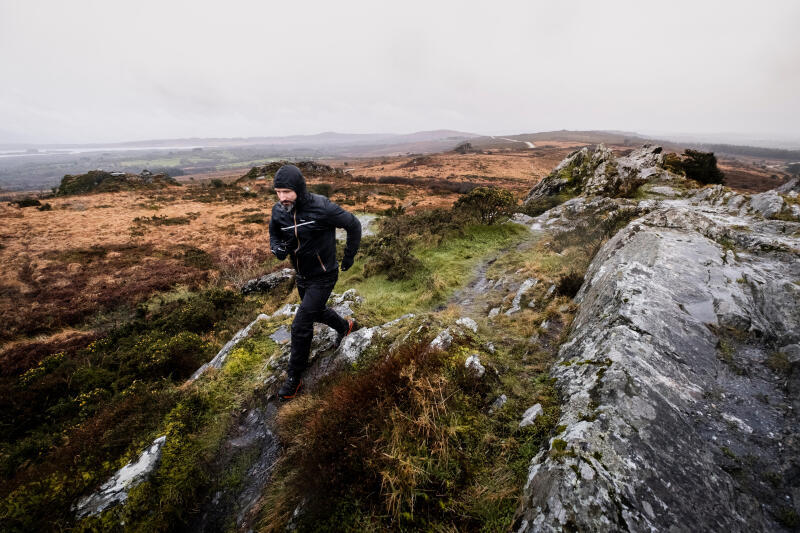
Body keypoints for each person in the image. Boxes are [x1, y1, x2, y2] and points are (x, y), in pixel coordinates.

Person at [268, 164, 361, 400]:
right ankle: (345, 327)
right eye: (278, 192)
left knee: (300, 325)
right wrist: (276, 247)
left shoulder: (322, 207)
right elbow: (274, 233)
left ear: (298, 188)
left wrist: (349, 255)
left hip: (324, 275)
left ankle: (294, 378)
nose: (282, 197)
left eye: (286, 192)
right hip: (302, 276)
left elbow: (353, 224)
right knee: (316, 311)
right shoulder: (279, 211)